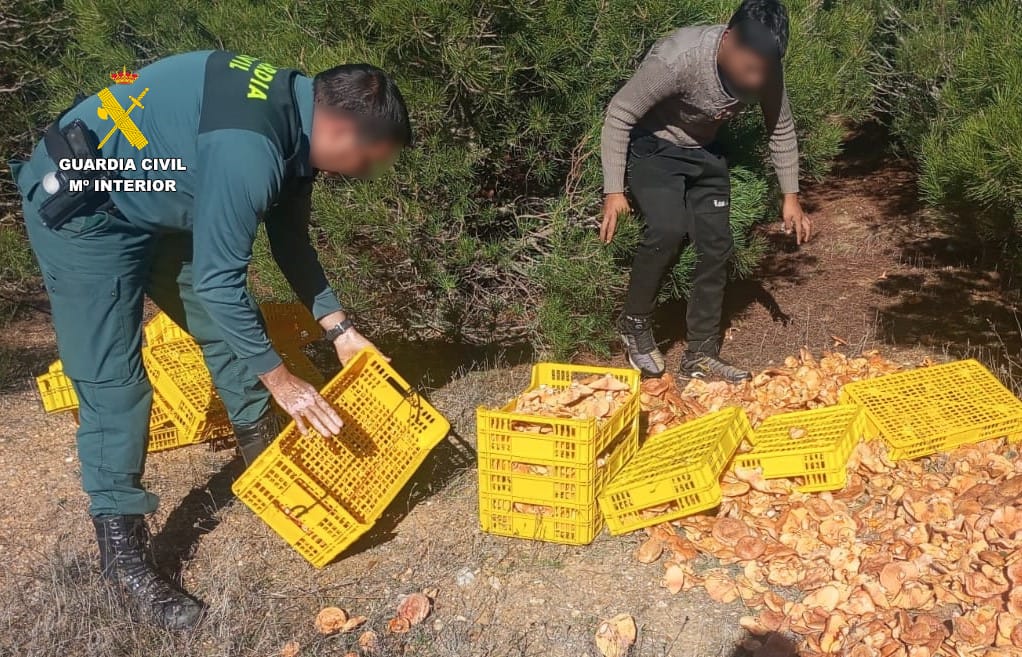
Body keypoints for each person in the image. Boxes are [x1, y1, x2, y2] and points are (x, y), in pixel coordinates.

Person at [9, 51, 411, 630]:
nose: (362, 173)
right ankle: (121, 554)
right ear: (340, 129)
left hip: (156, 200)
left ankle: (267, 465)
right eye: (367, 160)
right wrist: (284, 382)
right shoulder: (251, 149)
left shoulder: (297, 118)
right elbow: (221, 282)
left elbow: (290, 241)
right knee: (115, 383)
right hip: (84, 209)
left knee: (229, 333)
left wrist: (340, 329)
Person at [599, 0, 812, 382]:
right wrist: (613, 191)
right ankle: (634, 322)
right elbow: (620, 113)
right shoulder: (679, 58)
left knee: (717, 246)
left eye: (763, 72)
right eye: (749, 69)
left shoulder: (766, 67)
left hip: (703, 151)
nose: (755, 81)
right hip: (655, 147)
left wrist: (790, 197)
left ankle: (700, 355)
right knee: (667, 228)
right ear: (728, 41)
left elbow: (780, 128)